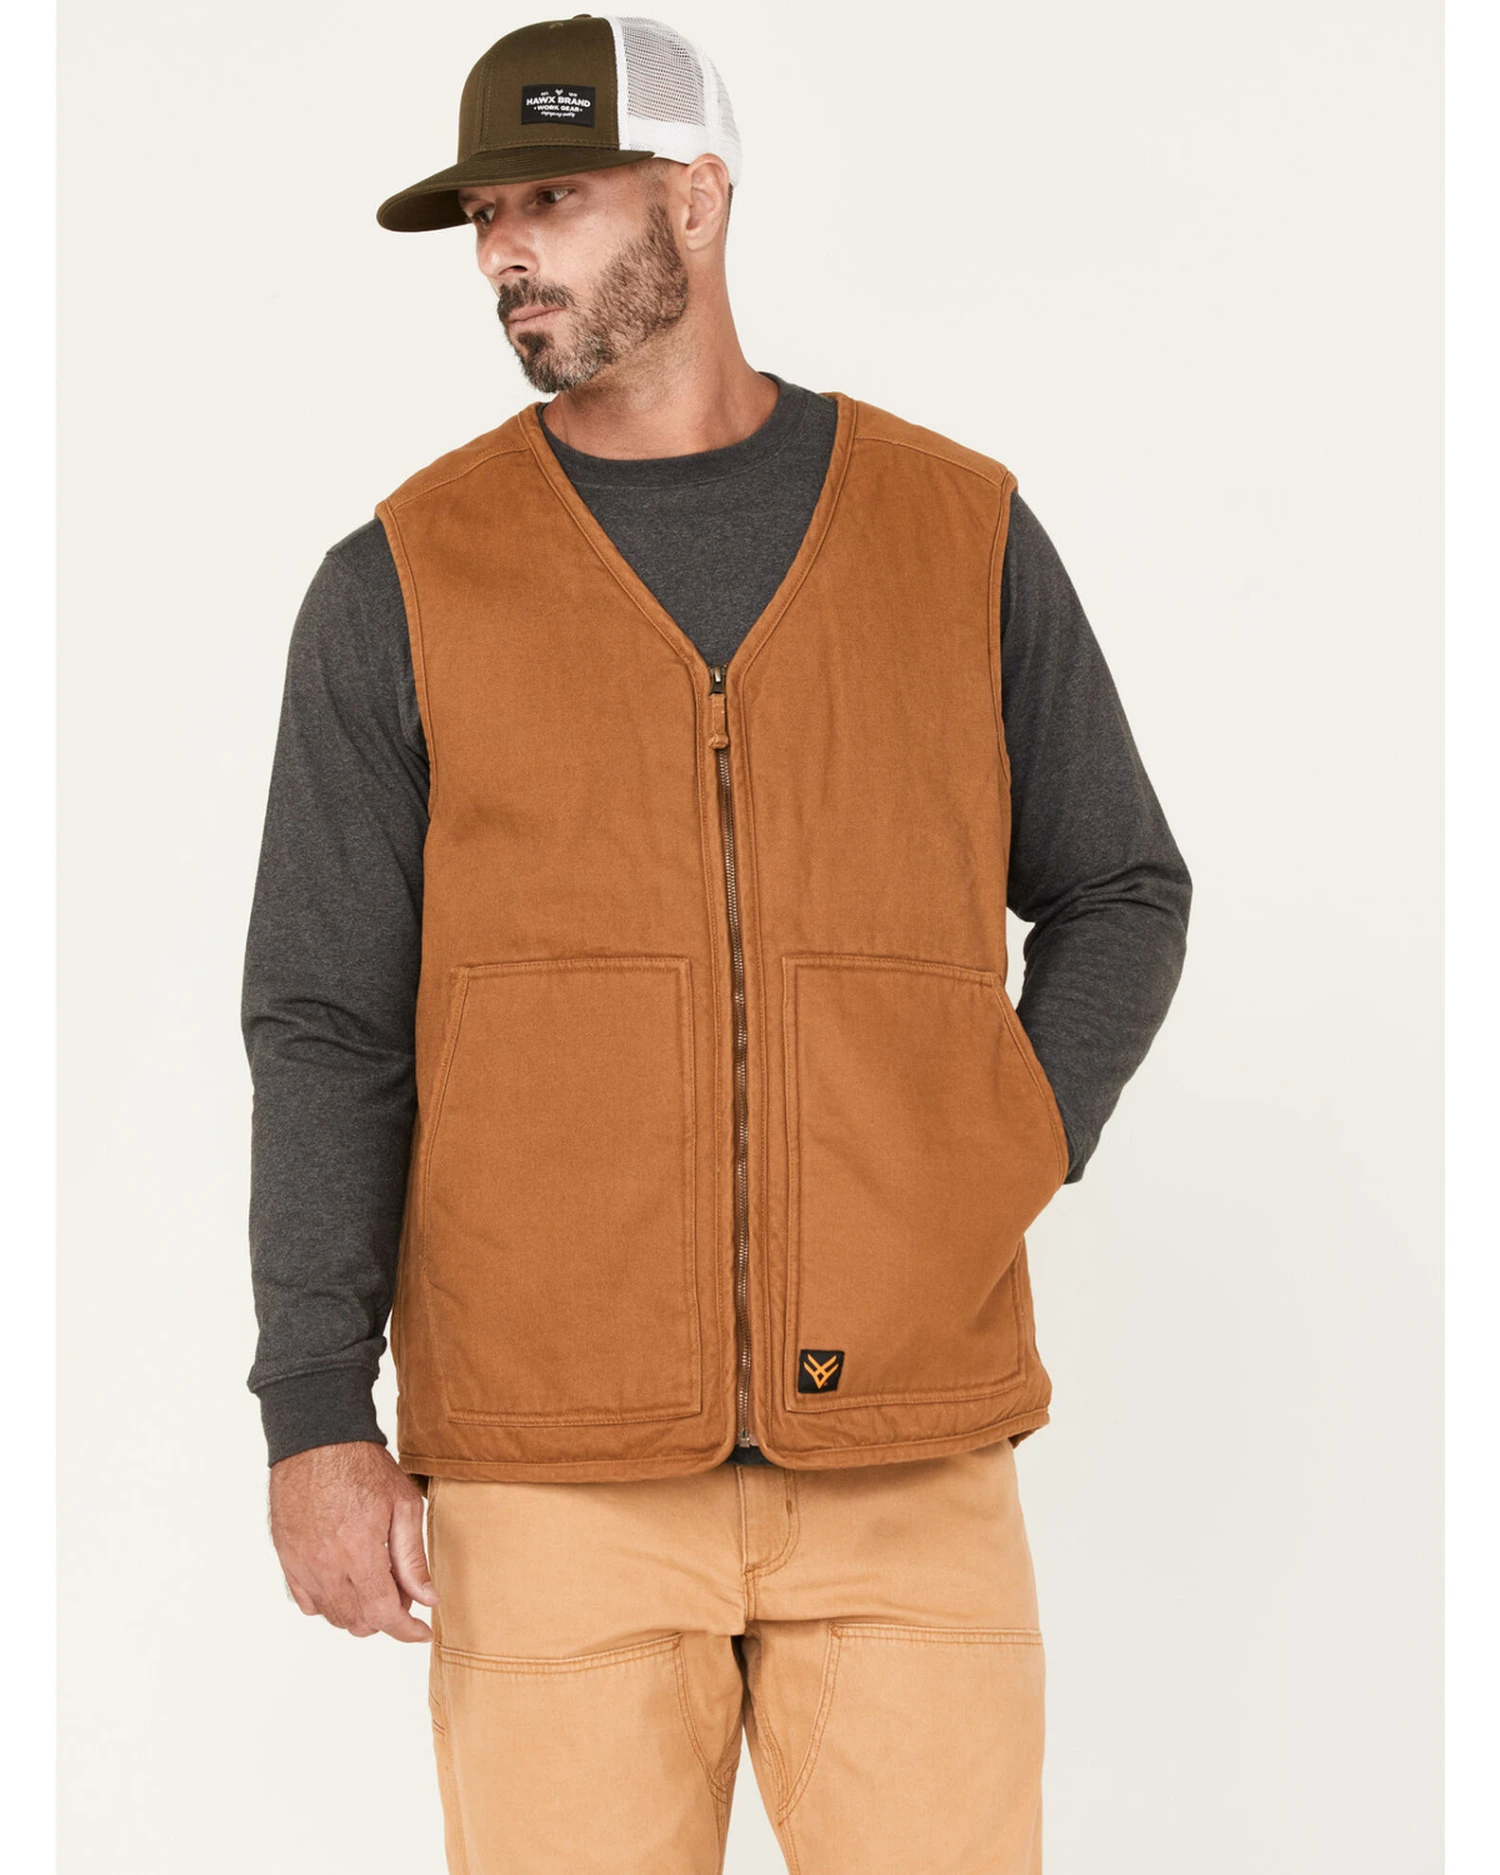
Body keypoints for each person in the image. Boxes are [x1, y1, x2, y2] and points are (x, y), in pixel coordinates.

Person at [240, 15, 1193, 1872]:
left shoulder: (958, 534)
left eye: (555, 198)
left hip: (907, 1459)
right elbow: (326, 1019)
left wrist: (1000, 1143)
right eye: (488, 217)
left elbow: (1122, 886)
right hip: (548, 1473)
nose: (508, 252)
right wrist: (312, 1409)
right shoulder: (401, 583)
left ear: (697, 194)